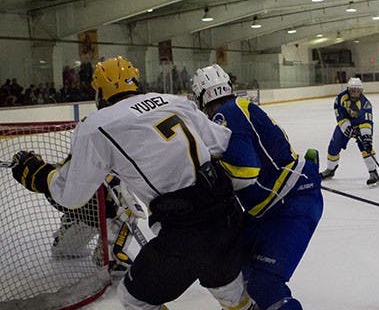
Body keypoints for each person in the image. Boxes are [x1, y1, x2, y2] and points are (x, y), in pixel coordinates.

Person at [11, 56, 253, 310]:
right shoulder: (175, 101)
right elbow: (221, 142)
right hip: (228, 216)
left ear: (101, 90)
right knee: (229, 291)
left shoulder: (96, 126)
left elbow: (71, 194)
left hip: (184, 231)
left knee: (134, 298)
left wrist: (38, 174)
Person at [192, 64, 323, 310]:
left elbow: (246, 170)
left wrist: (209, 179)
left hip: (290, 204)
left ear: (202, 96)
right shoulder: (237, 108)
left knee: (264, 284)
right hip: (272, 207)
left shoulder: (225, 115)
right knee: (235, 265)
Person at [320, 77, 379, 186]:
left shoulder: (365, 103)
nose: (355, 93)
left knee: (366, 147)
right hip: (345, 125)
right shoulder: (340, 98)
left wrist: (366, 137)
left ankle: (373, 172)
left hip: (360, 125)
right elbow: (340, 117)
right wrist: (348, 129)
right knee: (334, 146)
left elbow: (367, 121)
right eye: (353, 90)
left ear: (361, 91)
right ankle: (330, 169)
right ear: (348, 89)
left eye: (357, 90)